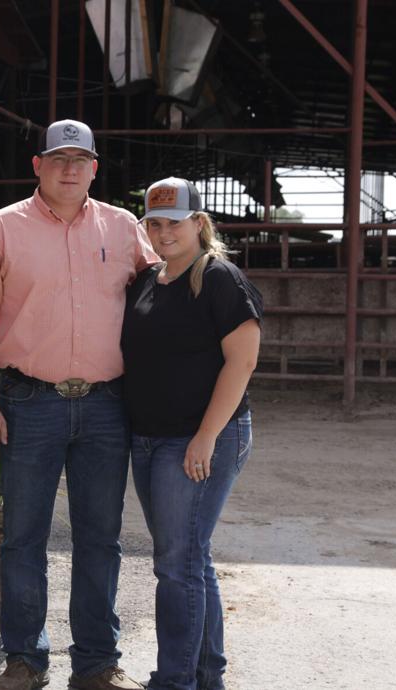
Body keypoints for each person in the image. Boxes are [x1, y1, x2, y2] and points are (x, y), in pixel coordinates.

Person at [0, 119, 157, 690]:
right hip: (27, 401)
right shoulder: (2, 227)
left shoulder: (124, 227)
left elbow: (159, 299)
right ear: (37, 166)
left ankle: (96, 664)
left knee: (100, 538)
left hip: (107, 405)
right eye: (58, 159)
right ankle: (25, 660)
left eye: (79, 160)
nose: (69, 169)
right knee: (23, 537)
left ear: (94, 168)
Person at [121, 178, 263, 690]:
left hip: (201, 438)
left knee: (176, 564)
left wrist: (205, 436)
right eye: (155, 223)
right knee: (188, 558)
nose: (164, 233)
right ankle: (206, 676)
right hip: (150, 437)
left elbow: (242, 363)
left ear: (199, 223)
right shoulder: (147, 279)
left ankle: (174, 680)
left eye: (175, 223)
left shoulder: (220, 278)